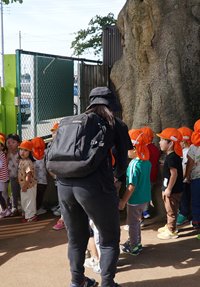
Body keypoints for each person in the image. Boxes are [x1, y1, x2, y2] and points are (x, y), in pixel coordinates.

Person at [54, 87, 131, 287]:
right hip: (94, 187)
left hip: (63, 185)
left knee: (76, 237)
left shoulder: (72, 123)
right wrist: (113, 179)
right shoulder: (116, 125)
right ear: (111, 106)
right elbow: (123, 163)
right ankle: (107, 283)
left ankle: (77, 282)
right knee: (108, 238)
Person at [119, 129, 151, 255]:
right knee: (136, 222)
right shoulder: (146, 161)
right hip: (144, 198)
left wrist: (123, 200)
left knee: (132, 223)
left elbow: (132, 185)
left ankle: (133, 246)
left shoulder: (134, 164)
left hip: (134, 199)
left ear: (134, 148)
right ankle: (137, 242)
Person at [156, 128, 184, 240]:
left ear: (171, 143)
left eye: (162, 140)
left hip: (172, 190)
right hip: (171, 188)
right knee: (170, 209)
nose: (159, 142)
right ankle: (170, 225)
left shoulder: (171, 157)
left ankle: (172, 231)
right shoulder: (172, 157)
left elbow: (174, 174)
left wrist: (168, 189)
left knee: (171, 211)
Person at [140, 126, 161, 219]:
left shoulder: (143, 148)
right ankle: (145, 210)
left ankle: (144, 211)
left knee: (143, 193)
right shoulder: (155, 148)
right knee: (148, 192)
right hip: (153, 175)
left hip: (145, 175)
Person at [48, 123, 66, 230]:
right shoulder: (51, 146)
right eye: (53, 133)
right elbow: (48, 163)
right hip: (58, 176)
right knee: (62, 197)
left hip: (64, 176)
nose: (54, 135)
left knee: (65, 199)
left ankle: (64, 219)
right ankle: (63, 217)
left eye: (56, 132)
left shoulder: (65, 145)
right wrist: (54, 175)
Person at [18, 140, 38, 222]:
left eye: (26, 150)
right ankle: (27, 213)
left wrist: (25, 186)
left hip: (30, 186)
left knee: (30, 201)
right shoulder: (21, 161)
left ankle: (31, 216)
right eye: (21, 149)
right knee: (24, 200)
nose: (23, 152)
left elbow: (28, 175)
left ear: (30, 152)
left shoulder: (28, 163)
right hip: (24, 186)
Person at [177, 126, 193, 226]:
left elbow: (186, 166)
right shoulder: (183, 151)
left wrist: (184, 177)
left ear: (184, 141)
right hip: (182, 180)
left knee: (184, 198)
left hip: (184, 181)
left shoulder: (188, 152)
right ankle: (182, 212)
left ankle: (184, 214)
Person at [6, 133, 21, 216]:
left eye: (13, 142)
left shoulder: (20, 152)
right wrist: (8, 153)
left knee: (22, 192)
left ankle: (24, 208)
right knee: (13, 192)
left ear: (18, 143)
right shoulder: (7, 152)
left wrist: (19, 176)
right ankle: (14, 207)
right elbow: (6, 162)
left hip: (20, 176)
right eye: (8, 142)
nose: (10, 144)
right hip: (11, 175)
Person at [32, 137, 48, 216]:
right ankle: (38, 209)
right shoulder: (45, 153)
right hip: (43, 180)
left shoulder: (31, 154)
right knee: (40, 195)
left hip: (33, 180)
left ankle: (35, 208)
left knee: (34, 196)